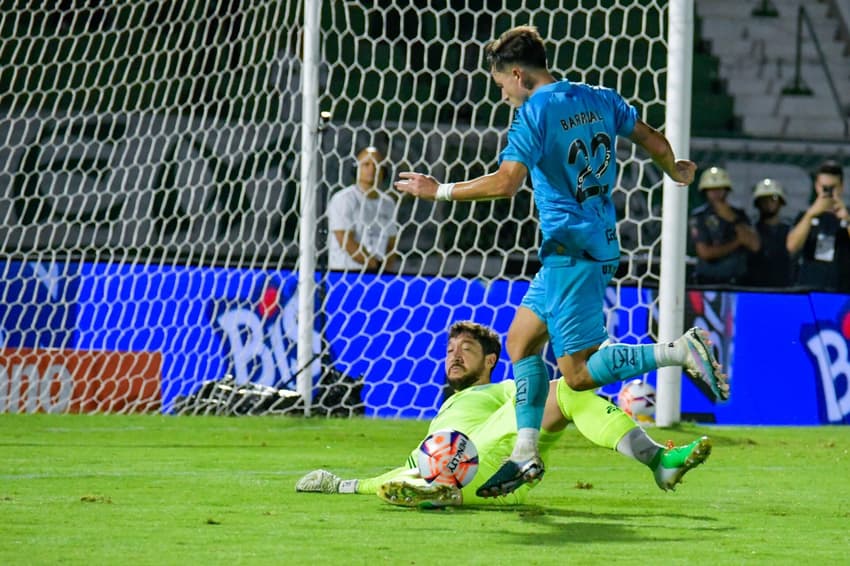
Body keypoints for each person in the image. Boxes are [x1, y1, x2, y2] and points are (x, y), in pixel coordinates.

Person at [393, 25, 727, 498]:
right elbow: (651, 138)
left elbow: (506, 183)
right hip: (584, 245)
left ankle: (678, 351)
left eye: (501, 84)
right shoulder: (600, 96)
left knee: (577, 374)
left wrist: (439, 190)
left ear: (516, 74)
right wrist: (675, 168)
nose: (503, 94)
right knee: (521, 342)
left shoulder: (533, 114)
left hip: (574, 252)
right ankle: (525, 453)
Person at [295, 321, 712, 508]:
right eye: (450, 351)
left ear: (491, 360)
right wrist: (343, 485)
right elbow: (402, 469)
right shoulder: (444, 414)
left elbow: (541, 396)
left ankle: (659, 459)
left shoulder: (504, 389)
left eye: (467, 351)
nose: (454, 358)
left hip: (500, 465)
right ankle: (439, 488)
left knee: (567, 389)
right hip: (446, 466)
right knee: (421, 463)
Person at [327, 146, 399, 272]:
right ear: (356, 169)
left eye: (377, 165)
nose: (372, 169)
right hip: (346, 273)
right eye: (366, 164)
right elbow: (344, 239)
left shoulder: (388, 203)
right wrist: (372, 265)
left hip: (379, 274)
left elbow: (391, 243)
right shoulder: (343, 199)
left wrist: (385, 269)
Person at [688, 166, 761, 285]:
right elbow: (705, 253)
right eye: (711, 189)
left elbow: (754, 245)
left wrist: (733, 219)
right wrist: (737, 243)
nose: (715, 193)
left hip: (736, 281)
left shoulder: (739, 215)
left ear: (726, 190)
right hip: (707, 282)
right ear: (704, 192)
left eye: (719, 189)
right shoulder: (700, 217)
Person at [786, 160, 850, 293]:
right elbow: (791, 247)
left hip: (842, 292)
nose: (829, 192)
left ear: (842, 187)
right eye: (824, 187)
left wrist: (846, 219)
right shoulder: (805, 216)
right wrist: (810, 215)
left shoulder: (847, 215)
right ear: (816, 186)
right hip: (808, 289)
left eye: (833, 187)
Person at [746, 178, 793, 287]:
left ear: (781, 202)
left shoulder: (790, 230)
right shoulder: (750, 230)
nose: (768, 203)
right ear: (757, 203)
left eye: (773, 198)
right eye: (763, 199)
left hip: (784, 289)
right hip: (753, 289)